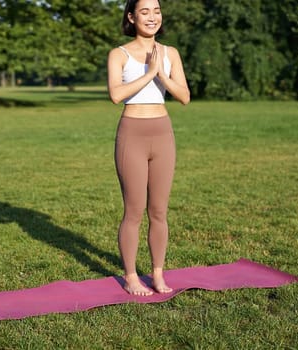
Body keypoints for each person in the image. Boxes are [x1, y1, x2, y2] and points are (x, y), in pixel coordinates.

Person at [107, 0, 190, 296]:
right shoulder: (120, 54)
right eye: (144, 11)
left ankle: (157, 274)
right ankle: (130, 276)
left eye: (156, 11)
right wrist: (148, 72)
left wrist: (162, 74)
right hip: (132, 134)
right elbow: (116, 95)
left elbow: (184, 96)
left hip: (163, 134)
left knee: (159, 211)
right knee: (134, 211)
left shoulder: (171, 53)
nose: (152, 17)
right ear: (131, 16)